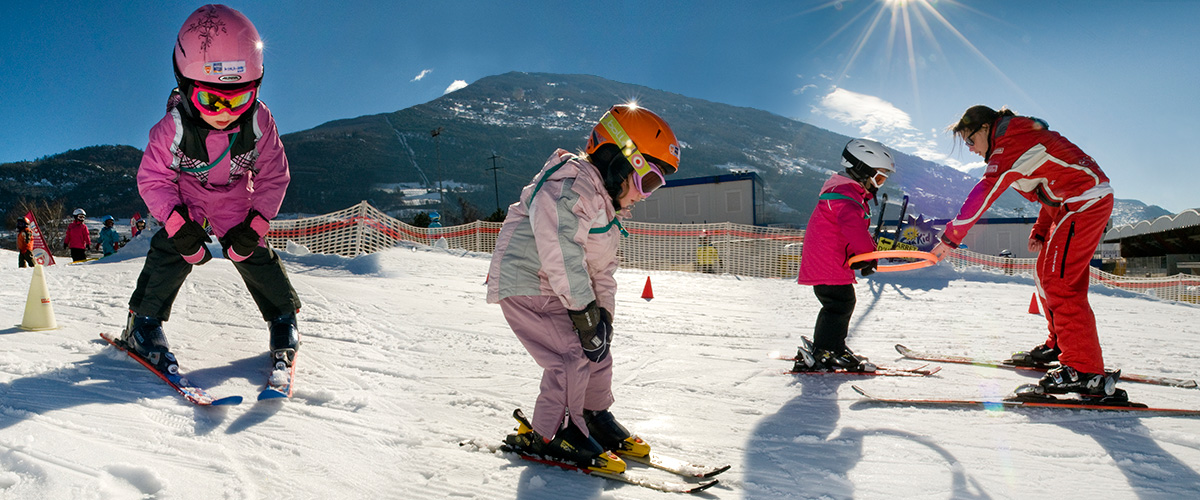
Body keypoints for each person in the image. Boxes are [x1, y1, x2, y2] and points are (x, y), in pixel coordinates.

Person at [489, 104, 680, 473]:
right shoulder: (571, 184)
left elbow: (603, 270)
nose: (646, 195)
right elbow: (560, 247)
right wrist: (582, 312)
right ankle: (553, 432)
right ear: (619, 162)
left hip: (560, 289)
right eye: (649, 181)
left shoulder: (606, 208)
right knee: (570, 355)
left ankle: (591, 415)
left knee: (598, 349)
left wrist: (602, 316)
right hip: (529, 284)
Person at [119, 4, 301, 377]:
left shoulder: (260, 121)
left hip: (236, 193)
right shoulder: (172, 128)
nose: (224, 111)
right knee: (172, 248)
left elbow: (274, 175)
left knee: (250, 250)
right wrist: (175, 221)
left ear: (256, 89)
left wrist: (257, 223)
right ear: (186, 89)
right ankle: (143, 321)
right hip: (187, 193)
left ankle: (282, 316)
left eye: (238, 99)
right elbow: (153, 178)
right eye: (210, 100)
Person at [931, 105, 1119, 399]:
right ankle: (1060, 345)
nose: (970, 149)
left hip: (1084, 203)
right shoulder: (1019, 138)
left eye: (969, 140)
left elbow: (986, 191)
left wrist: (951, 238)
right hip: (1073, 204)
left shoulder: (1009, 143)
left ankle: (1084, 370)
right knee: (1045, 276)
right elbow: (1052, 183)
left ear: (985, 128)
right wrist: (1042, 228)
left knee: (1061, 283)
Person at [792, 139, 895, 373]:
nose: (879, 185)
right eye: (879, 178)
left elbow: (854, 229)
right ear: (862, 170)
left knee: (837, 304)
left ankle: (829, 346)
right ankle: (828, 350)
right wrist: (868, 255)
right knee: (840, 303)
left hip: (829, 263)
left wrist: (867, 254)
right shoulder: (844, 194)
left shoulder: (845, 192)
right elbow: (853, 228)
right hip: (828, 264)